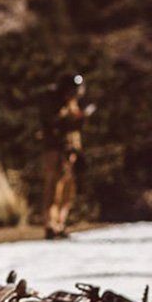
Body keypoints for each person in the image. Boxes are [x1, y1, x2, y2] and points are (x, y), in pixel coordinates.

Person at [41, 73, 95, 239]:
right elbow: (56, 124)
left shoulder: (72, 103)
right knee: (54, 188)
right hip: (57, 150)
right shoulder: (55, 104)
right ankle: (51, 224)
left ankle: (60, 223)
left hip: (71, 150)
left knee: (68, 189)